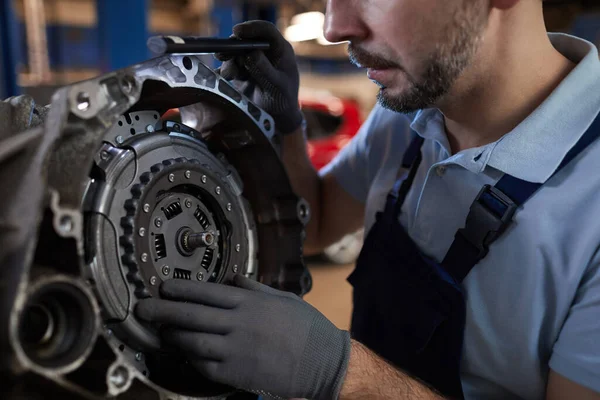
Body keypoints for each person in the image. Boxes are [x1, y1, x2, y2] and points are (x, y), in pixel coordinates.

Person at [134, 0, 600, 398]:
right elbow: (313, 228)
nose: (336, 27)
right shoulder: (407, 113)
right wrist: (283, 123)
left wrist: (336, 371)